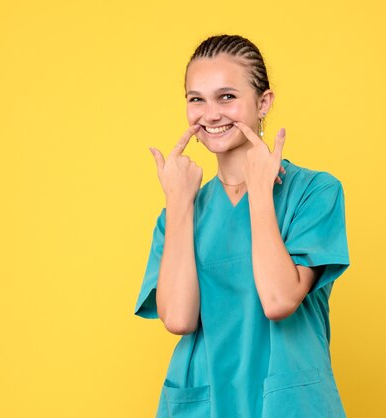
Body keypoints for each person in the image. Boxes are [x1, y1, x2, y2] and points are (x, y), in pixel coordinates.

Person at [134, 34, 351, 418]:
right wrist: (180, 204)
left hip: (287, 403)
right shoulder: (180, 212)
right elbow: (179, 319)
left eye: (227, 97)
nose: (211, 114)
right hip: (206, 402)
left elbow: (279, 300)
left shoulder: (314, 192)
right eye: (196, 99)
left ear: (263, 102)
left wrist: (260, 193)